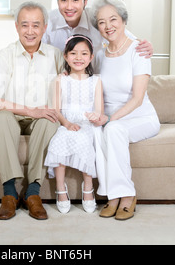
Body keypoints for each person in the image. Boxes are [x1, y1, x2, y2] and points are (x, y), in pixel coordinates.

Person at [0, 1, 63, 220]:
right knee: (2, 118)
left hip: (41, 118)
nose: (30, 31)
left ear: (45, 27)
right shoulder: (5, 55)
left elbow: (75, 82)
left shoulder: (56, 56)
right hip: (11, 116)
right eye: (25, 25)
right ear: (16, 27)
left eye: (36, 25)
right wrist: (30, 111)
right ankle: (9, 194)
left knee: (50, 120)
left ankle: (33, 193)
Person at [86, 0, 160, 221]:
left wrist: (110, 119)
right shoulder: (99, 54)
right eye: (101, 22)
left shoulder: (139, 50)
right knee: (95, 133)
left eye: (113, 19)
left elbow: (137, 98)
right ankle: (113, 195)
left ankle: (125, 195)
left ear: (124, 20)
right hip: (110, 117)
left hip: (139, 116)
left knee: (113, 130)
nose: (108, 26)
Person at [44, 34, 103, 214]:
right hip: (66, 122)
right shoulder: (60, 80)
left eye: (84, 54)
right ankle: (60, 189)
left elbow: (99, 110)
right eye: (73, 53)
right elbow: (56, 108)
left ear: (91, 57)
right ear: (65, 56)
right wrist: (67, 124)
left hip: (86, 124)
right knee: (58, 142)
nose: (78, 58)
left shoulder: (96, 81)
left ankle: (88, 187)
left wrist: (95, 117)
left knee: (85, 142)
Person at [42, 0, 154, 58]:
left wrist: (143, 45)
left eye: (75, 0)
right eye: (64, 0)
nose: (69, 7)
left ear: (85, 1)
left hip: (95, 82)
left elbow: (124, 37)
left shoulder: (97, 17)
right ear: (57, 1)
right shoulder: (47, 21)